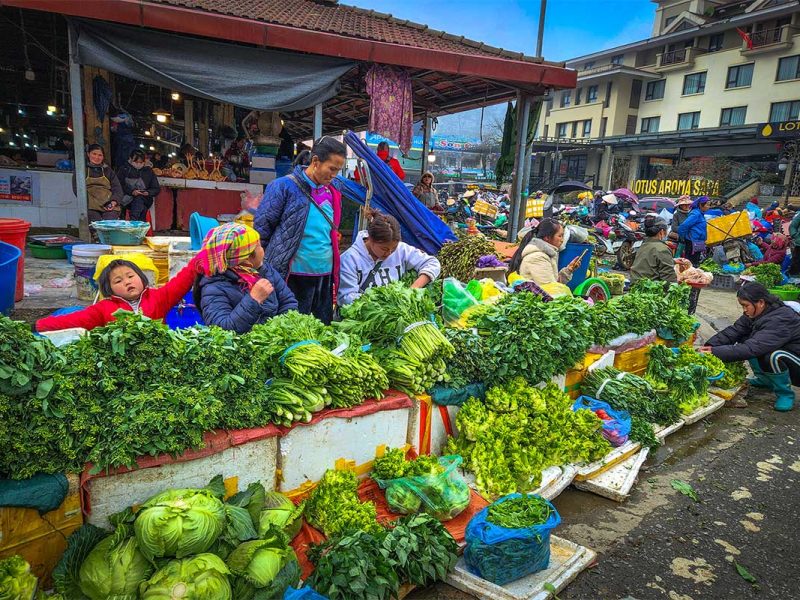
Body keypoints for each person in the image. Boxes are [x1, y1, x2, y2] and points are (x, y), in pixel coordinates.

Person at [254, 136, 346, 324]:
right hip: (290, 277)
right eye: (332, 169)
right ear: (315, 162)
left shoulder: (333, 191)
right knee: (290, 328)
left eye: (338, 170)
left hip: (324, 276)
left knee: (320, 329)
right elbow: (261, 232)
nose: (334, 175)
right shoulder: (283, 187)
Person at [36, 255, 202, 332]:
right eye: (118, 281)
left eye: (130, 276)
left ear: (142, 278)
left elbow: (184, 278)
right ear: (110, 289)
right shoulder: (103, 309)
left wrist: (203, 257)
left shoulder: (159, 298)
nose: (127, 282)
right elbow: (74, 320)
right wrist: (38, 325)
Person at [702, 282, 800, 411]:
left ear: (760, 302)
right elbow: (735, 330)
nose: (744, 310)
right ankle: (765, 379)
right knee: (746, 338)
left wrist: (714, 352)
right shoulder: (757, 313)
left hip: (796, 360)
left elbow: (752, 348)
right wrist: (710, 346)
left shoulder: (781, 318)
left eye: (745, 305)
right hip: (784, 350)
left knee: (772, 356)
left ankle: (785, 394)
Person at [194, 223, 297, 334]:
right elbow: (221, 331)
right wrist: (254, 300)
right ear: (246, 258)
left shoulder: (265, 270)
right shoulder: (213, 288)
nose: (263, 250)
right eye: (259, 246)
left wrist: (277, 332)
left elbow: (288, 302)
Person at [338, 211, 441, 306]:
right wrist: (383, 303)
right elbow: (346, 298)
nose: (389, 253)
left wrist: (413, 290)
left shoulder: (402, 250)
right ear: (371, 239)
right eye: (384, 249)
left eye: (393, 249)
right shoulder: (349, 259)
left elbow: (432, 263)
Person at [508, 218, 582, 286]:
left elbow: (553, 283)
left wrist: (569, 270)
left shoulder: (547, 254)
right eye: (560, 236)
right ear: (547, 237)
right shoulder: (537, 257)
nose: (562, 240)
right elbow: (550, 288)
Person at [73, 144, 124, 223]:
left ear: (103, 157)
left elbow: (117, 189)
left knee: (108, 225)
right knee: (96, 226)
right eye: (94, 154)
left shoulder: (108, 170)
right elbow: (77, 189)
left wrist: (113, 202)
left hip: (108, 204)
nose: (97, 157)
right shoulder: (82, 170)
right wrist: (85, 202)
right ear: (88, 154)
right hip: (90, 206)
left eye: (100, 155)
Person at [630, 216, 679, 284]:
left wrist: (673, 261)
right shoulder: (662, 249)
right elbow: (668, 277)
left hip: (635, 285)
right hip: (650, 289)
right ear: (661, 232)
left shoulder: (643, 245)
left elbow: (651, 262)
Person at [116, 149, 160, 222]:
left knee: (139, 199)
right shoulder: (124, 169)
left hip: (145, 199)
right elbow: (119, 185)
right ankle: (136, 224)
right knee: (142, 209)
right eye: (136, 162)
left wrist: (148, 192)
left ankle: (134, 221)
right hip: (126, 199)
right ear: (130, 159)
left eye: (141, 162)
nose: (138, 164)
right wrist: (132, 192)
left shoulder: (148, 171)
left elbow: (156, 188)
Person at [677, 196, 710, 266]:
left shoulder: (700, 214)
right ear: (701, 205)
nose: (708, 206)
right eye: (707, 204)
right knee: (690, 263)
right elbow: (683, 226)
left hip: (698, 242)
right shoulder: (695, 214)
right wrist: (683, 238)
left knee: (696, 262)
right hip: (692, 242)